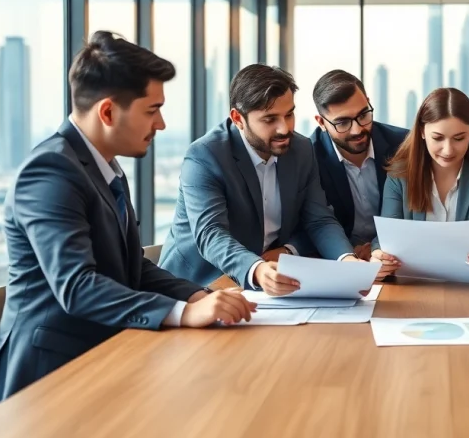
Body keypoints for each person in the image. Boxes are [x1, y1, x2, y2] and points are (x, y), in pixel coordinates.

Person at [0, 32, 255, 406]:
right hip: (50, 381)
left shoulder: (104, 166)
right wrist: (183, 313)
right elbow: (78, 287)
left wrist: (199, 296)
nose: (161, 124)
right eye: (152, 110)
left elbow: (133, 269)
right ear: (109, 112)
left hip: (109, 356)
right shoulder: (49, 172)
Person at [158, 65, 387, 294]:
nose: (284, 128)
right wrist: (256, 270)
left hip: (267, 289)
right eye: (270, 119)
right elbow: (211, 233)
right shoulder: (206, 155)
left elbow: (318, 219)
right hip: (197, 286)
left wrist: (346, 261)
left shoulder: (301, 149)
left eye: (289, 114)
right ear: (238, 118)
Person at [370, 88, 469, 274]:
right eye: (437, 138)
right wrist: (379, 255)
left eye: (458, 138)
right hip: (413, 285)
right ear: (422, 132)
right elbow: (385, 237)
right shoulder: (399, 175)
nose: (448, 150)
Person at [297, 70, 408, 260]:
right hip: (338, 260)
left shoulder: (403, 144)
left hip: (397, 257)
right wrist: (348, 251)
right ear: (321, 123)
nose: (357, 129)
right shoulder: (308, 157)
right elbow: (310, 222)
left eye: (363, 115)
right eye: (342, 122)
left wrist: (377, 248)